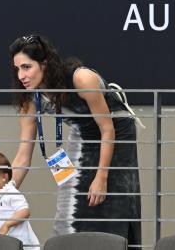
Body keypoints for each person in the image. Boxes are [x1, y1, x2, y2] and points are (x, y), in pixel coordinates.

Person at [9, 35, 141, 248]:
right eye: (17, 69)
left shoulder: (81, 79)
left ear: (44, 64)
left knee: (111, 200)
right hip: (82, 132)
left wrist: (101, 177)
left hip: (116, 130)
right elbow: (23, 155)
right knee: (71, 203)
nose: (21, 75)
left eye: (26, 67)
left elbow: (107, 129)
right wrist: (3, 196)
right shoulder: (29, 98)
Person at [0, 151, 40, 250]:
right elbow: (2, 219)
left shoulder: (11, 193)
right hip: (6, 244)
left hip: (20, 245)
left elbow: (24, 212)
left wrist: (7, 225)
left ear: (4, 177)